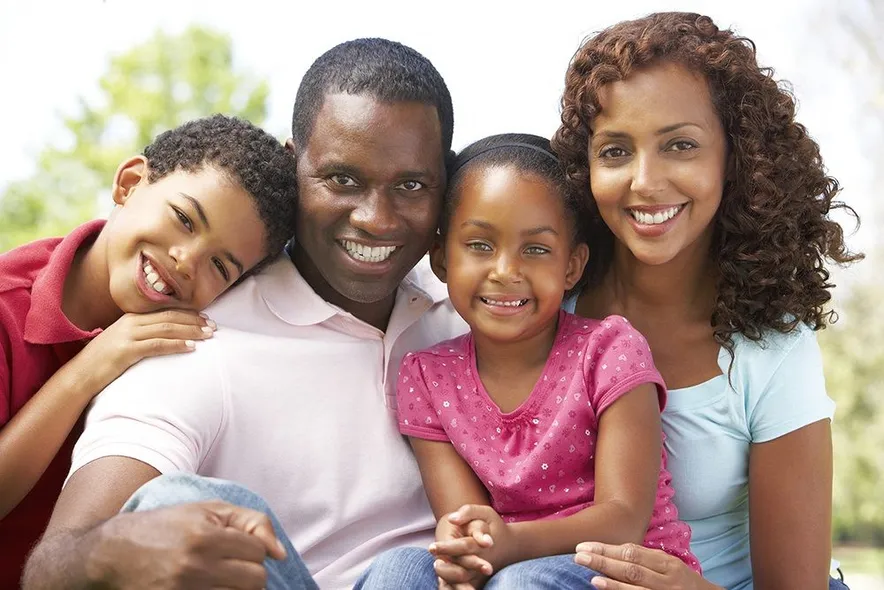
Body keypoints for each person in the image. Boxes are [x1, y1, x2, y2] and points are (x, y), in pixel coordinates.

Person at [23, 38, 465, 590]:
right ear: (293, 164)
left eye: (411, 185)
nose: (376, 219)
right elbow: (51, 567)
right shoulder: (196, 345)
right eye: (342, 179)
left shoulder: (478, 306)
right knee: (171, 501)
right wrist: (115, 548)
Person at [550, 12, 861, 590]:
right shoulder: (550, 309)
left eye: (680, 146)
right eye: (615, 151)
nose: (645, 181)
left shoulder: (770, 346)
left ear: (735, 158)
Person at [355, 133, 700, 590]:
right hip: (504, 567)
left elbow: (623, 521)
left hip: (621, 570)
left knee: (521, 585)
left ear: (572, 267)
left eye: (536, 250)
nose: (505, 271)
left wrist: (509, 543)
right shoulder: (426, 376)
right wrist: (465, 550)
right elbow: (463, 520)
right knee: (396, 571)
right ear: (441, 259)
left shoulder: (608, 351)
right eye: (479, 245)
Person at [0, 113, 298, 588]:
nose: (186, 259)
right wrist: (88, 370)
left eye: (220, 266)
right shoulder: (8, 307)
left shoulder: (188, 345)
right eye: (183, 219)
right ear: (130, 183)